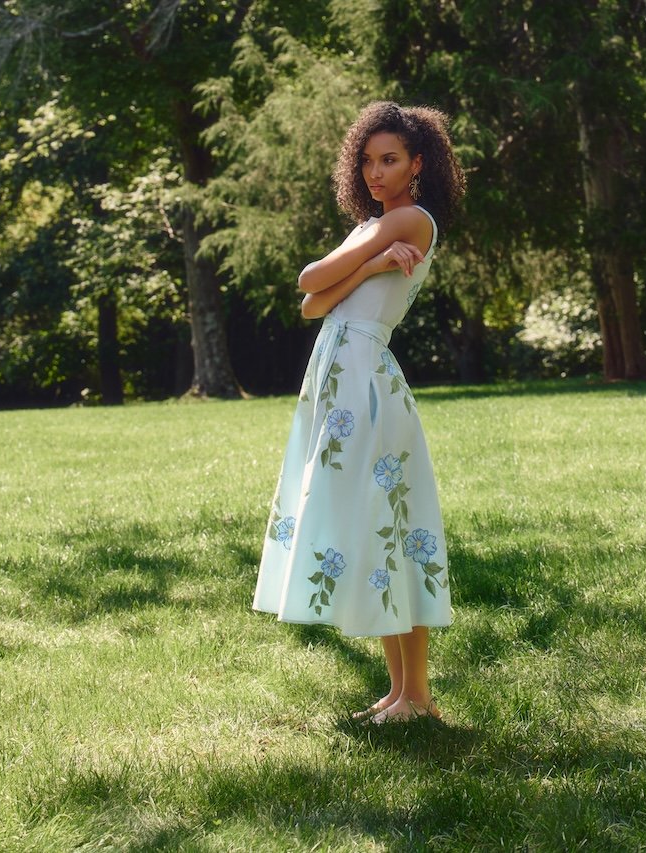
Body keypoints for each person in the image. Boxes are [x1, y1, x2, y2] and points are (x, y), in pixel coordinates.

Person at [252, 101, 466, 723]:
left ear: (417, 163)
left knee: (391, 531)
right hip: (339, 384)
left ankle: (418, 695)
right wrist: (370, 264)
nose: (376, 172)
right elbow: (313, 306)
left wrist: (359, 263)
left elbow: (309, 278)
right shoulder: (374, 230)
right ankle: (401, 693)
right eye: (368, 161)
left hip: (368, 385)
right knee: (374, 533)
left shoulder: (412, 220)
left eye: (390, 159)